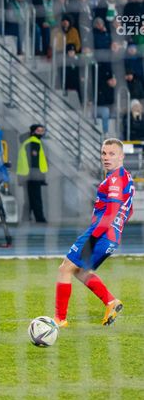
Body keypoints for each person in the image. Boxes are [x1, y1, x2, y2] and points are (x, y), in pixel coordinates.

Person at [54, 138, 134, 328]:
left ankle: (59, 319)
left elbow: (111, 213)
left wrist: (93, 239)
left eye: (112, 153)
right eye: (104, 153)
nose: (106, 157)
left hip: (101, 233)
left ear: (121, 156)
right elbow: (129, 211)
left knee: (65, 269)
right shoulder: (126, 177)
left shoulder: (115, 179)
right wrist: (117, 229)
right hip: (111, 237)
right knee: (80, 271)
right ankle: (111, 302)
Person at [16, 124, 48, 223]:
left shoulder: (28, 142)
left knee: (29, 198)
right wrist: (40, 177)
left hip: (26, 175)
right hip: (32, 176)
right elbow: (34, 162)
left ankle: (26, 217)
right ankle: (40, 218)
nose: (41, 133)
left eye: (42, 131)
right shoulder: (34, 142)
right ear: (33, 132)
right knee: (36, 198)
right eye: (39, 131)